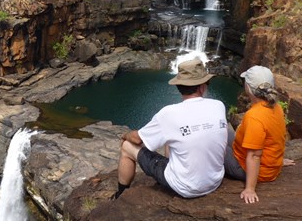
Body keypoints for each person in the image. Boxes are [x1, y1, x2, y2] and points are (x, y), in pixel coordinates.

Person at [112, 57, 228, 200]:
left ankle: (121, 194)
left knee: (127, 146)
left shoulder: (169, 114)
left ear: (179, 86)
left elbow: (136, 139)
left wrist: (126, 135)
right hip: (214, 181)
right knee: (172, 135)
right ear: (202, 87)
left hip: (185, 187)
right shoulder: (218, 106)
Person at [224, 65, 295, 204]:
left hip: (251, 169)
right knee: (223, 128)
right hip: (269, 166)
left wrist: (250, 188)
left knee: (215, 145)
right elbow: (276, 138)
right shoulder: (276, 106)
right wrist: (277, 161)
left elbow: (255, 156)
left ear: (248, 88)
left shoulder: (254, 117)